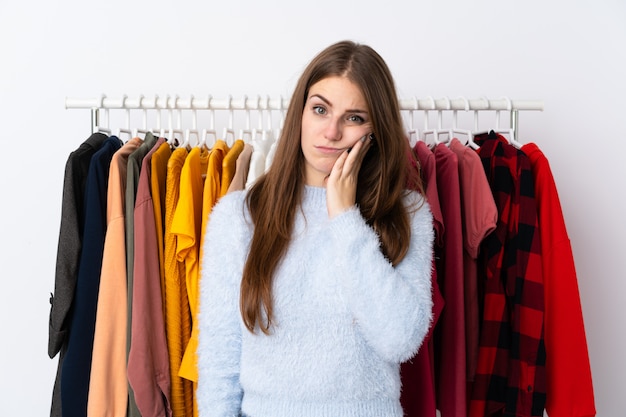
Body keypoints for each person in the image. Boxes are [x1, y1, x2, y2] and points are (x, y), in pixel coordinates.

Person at [197, 40, 434, 417]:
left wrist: (344, 218)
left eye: (354, 117)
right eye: (320, 109)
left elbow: (401, 339)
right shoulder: (238, 218)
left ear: (375, 131)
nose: (332, 132)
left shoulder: (405, 213)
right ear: (301, 113)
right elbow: (219, 364)